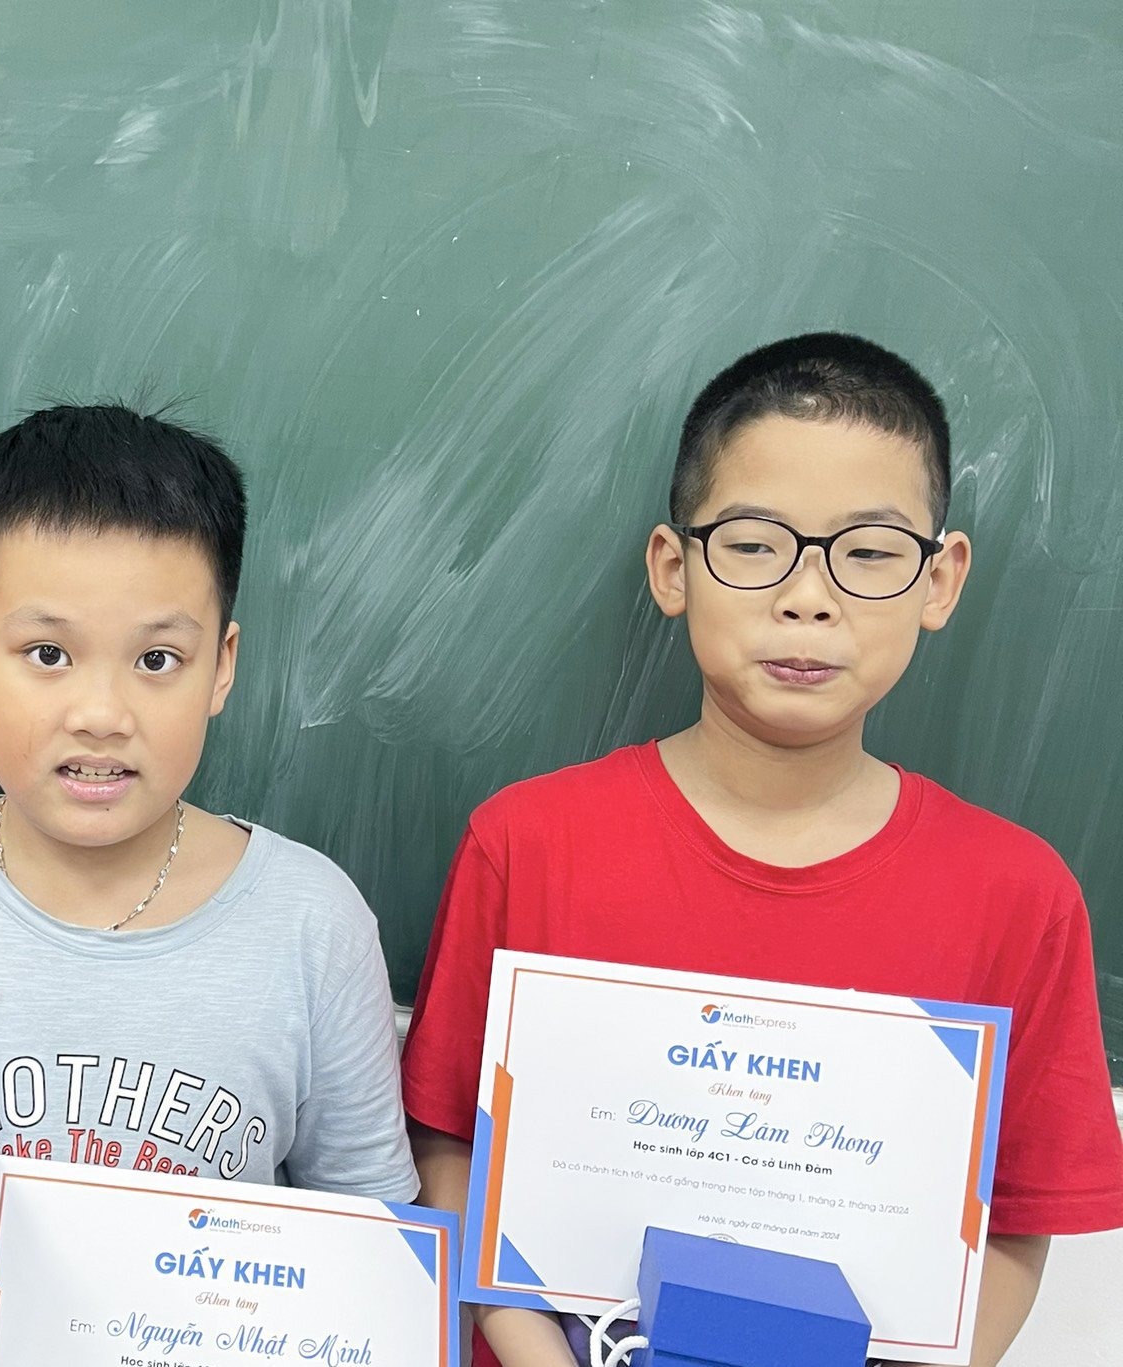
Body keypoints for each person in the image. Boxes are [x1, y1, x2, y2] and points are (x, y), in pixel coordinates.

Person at [400, 332, 1123, 1367]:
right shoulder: (530, 841)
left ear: (940, 579)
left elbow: (1014, 1219)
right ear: (673, 566)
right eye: (752, 543)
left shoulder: (1019, 895)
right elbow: (450, 1143)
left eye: (869, 552)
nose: (809, 596)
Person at [0, 404, 416, 1199]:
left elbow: (371, 1239)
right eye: (48, 652)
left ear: (222, 667)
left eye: (157, 658)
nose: (101, 714)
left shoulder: (314, 926)